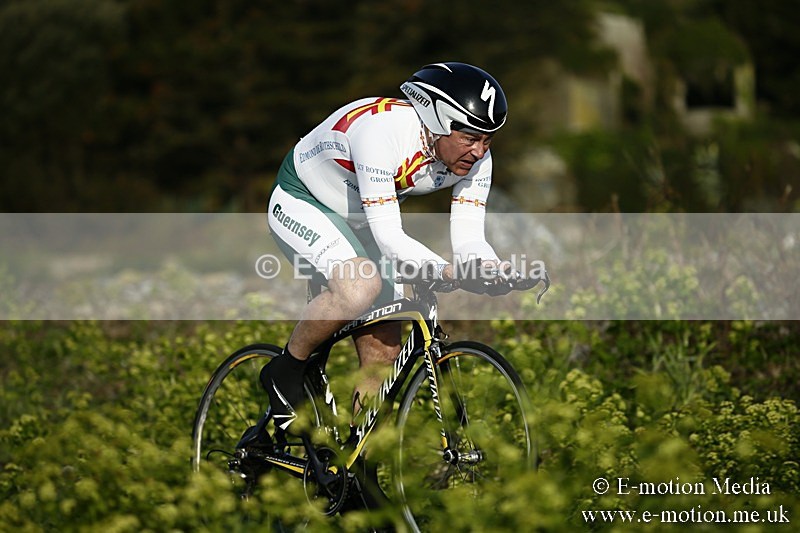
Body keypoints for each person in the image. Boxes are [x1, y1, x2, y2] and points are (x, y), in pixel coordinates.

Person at [262, 62, 511, 432]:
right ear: (439, 121)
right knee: (359, 286)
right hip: (304, 200)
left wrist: (489, 269)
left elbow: (470, 236)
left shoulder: (477, 160)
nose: (479, 152)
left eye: (487, 140)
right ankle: (286, 369)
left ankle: (361, 458)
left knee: (385, 351)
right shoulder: (382, 133)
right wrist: (443, 270)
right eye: (470, 138)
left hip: (363, 220)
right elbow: (390, 237)